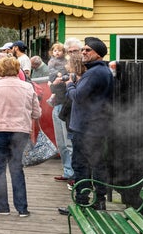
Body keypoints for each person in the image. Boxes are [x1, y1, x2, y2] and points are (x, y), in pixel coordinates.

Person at [0, 56, 41, 217]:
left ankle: (1, 205)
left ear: (0, 69)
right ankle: (22, 208)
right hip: (20, 132)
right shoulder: (27, 87)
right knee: (17, 168)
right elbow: (37, 113)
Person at [57, 36, 114, 215]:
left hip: (86, 128)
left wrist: (69, 85)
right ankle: (99, 201)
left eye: (88, 50)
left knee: (81, 165)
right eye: (83, 49)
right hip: (96, 126)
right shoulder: (101, 71)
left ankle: (81, 203)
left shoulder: (94, 73)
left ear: (98, 54)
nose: (83, 52)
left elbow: (78, 97)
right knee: (97, 164)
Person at [49, 39, 83, 184]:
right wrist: (56, 84)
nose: (72, 54)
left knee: (69, 143)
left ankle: (75, 175)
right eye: (70, 51)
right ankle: (67, 171)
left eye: (75, 51)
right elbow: (53, 87)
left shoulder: (82, 67)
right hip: (58, 104)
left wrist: (64, 83)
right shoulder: (65, 66)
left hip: (69, 108)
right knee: (61, 143)